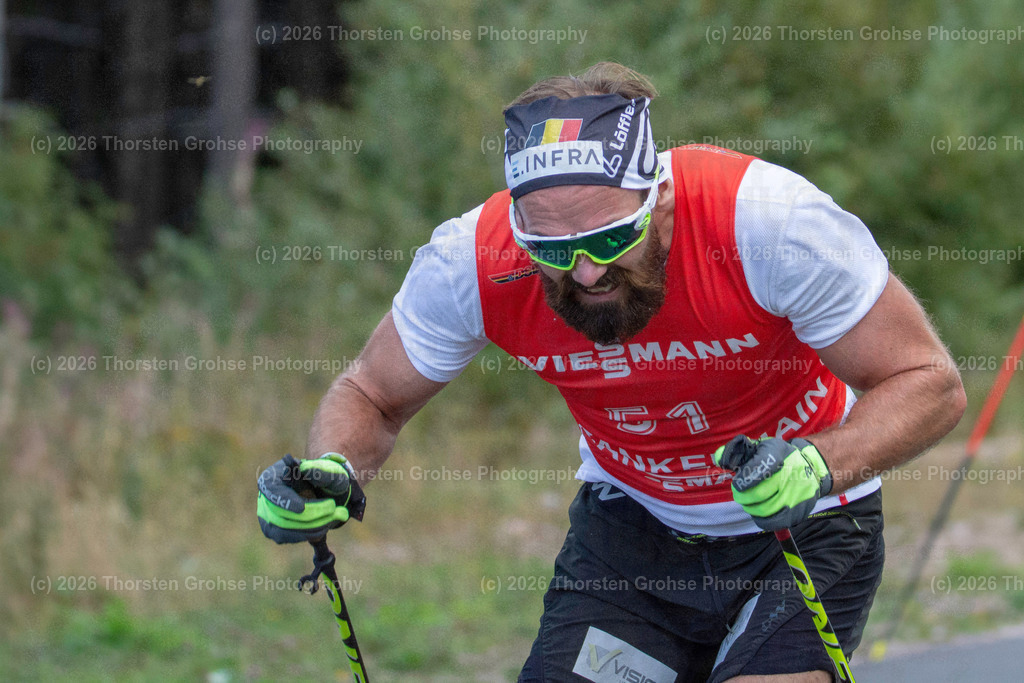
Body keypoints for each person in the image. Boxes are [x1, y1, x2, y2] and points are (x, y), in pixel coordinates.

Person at [257, 62, 966, 682]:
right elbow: (372, 395)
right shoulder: (472, 261)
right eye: (552, 250)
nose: (587, 271)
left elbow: (926, 379)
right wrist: (332, 468)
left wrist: (818, 463)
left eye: (608, 238)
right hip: (635, 528)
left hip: (803, 522)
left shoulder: (767, 223)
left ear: (657, 195)